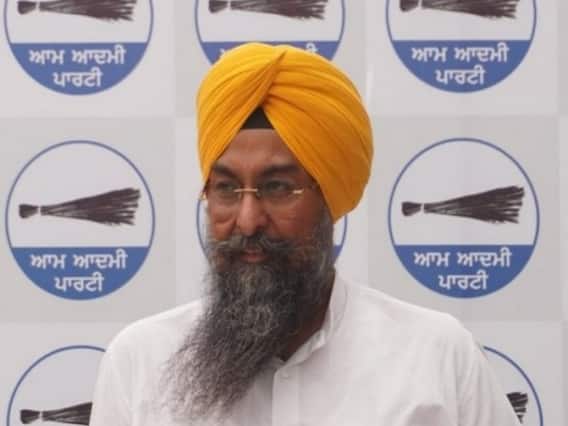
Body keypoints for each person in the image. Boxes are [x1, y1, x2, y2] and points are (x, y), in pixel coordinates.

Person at [89, 43, 520, 426]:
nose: (247, 220)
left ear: (329, 197)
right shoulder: (141, 362)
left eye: (278, 187)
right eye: (226, 188)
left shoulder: (436, 357)